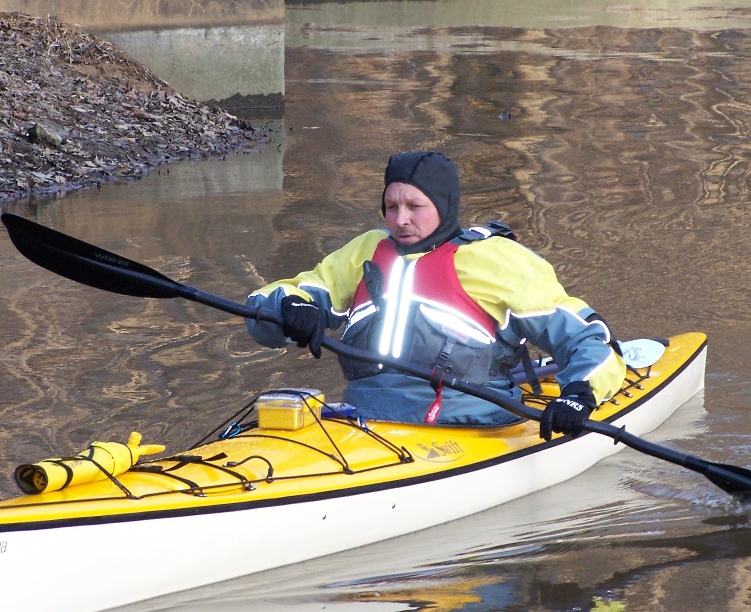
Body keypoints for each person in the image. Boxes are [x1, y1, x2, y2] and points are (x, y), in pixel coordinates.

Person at [245, 151, 626, 439]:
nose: (400, 219)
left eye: (415, 206)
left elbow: (589, 338)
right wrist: (289, 306)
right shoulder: (366, 251)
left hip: (472, 424)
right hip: (366, 419)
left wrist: (579, 393)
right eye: (391, 207)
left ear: (443, 207)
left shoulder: (496, 260)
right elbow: (273, 299)